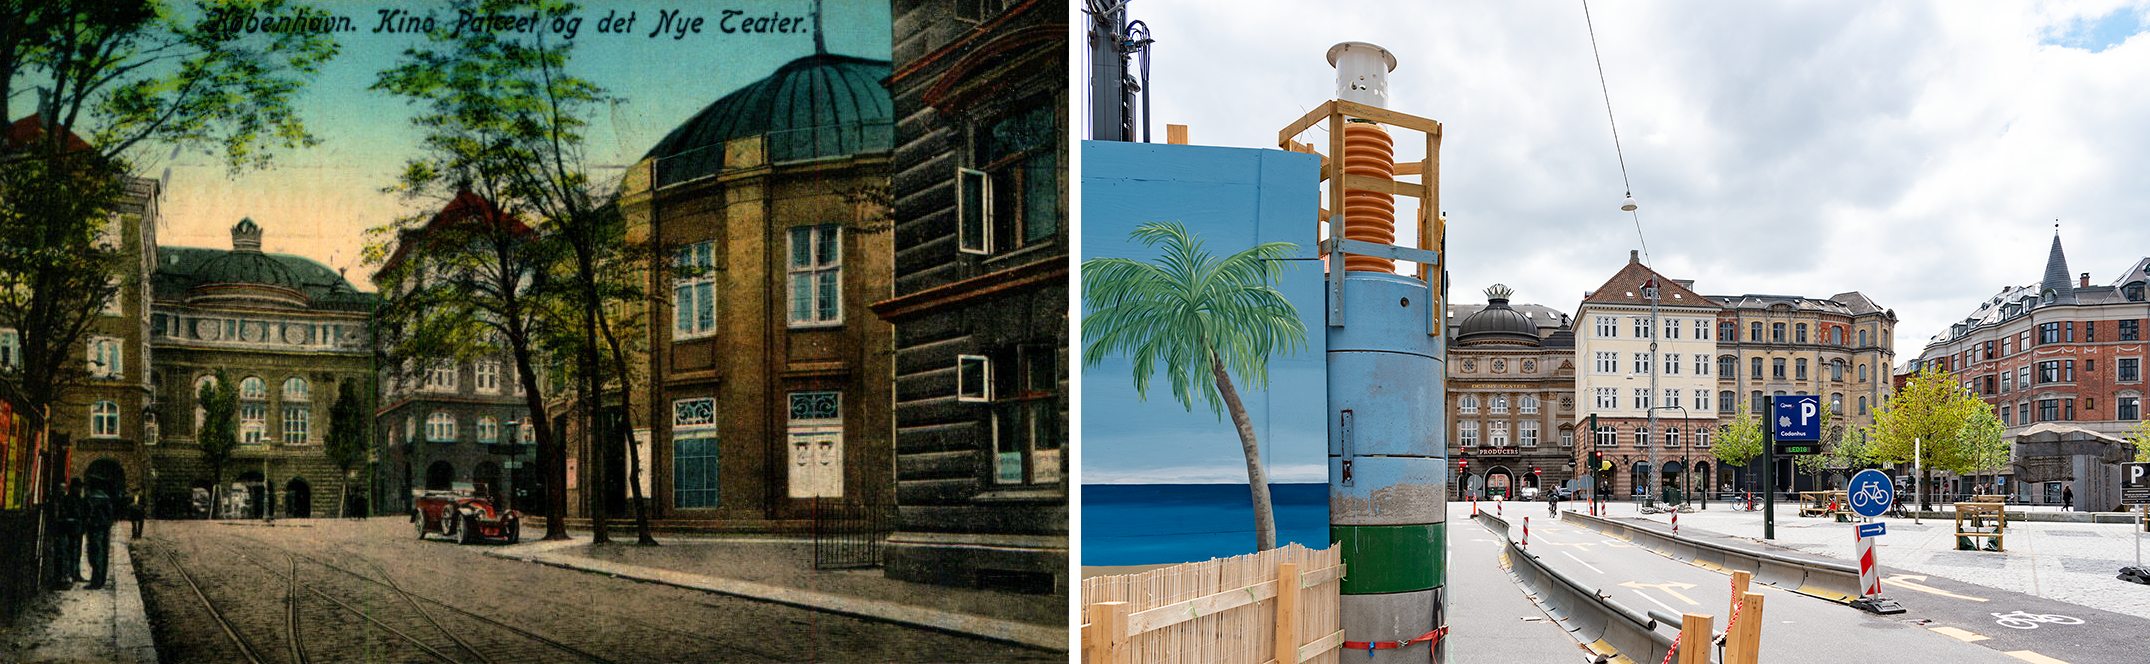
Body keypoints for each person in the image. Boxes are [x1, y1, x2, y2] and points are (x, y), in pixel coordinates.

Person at [83, 483, 115, 589]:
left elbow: (87, 513)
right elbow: (111, 515)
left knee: (94, 554)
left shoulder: (91, 497)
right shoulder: (106, 497)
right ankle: (101, 580)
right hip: (105, 528)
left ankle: (95, 582)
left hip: (94, 529)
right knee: (103, 553)